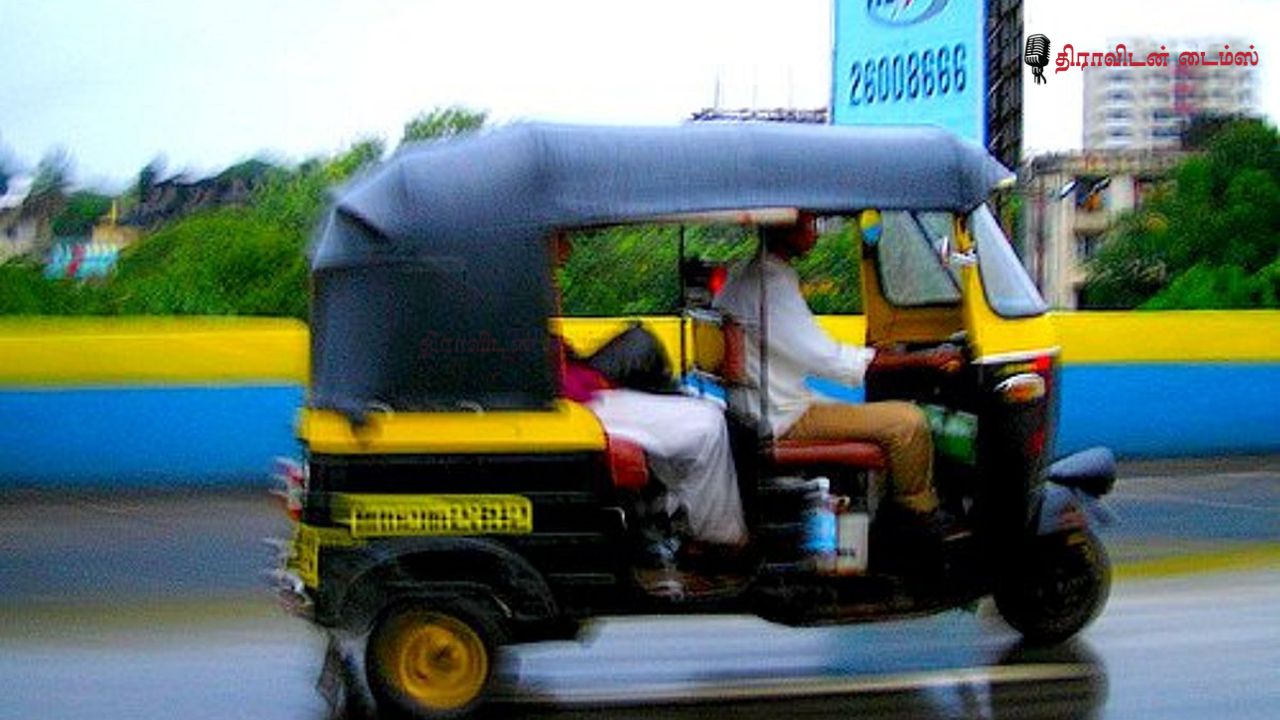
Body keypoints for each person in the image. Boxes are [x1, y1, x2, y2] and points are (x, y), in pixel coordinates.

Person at [713, 213, 963, 535]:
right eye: (810, 223)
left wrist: (879, 356)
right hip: (782, 415)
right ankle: (918, 517)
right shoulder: (769, 283)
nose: (816, 232)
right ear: (784, 227)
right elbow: (824, 358)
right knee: (908, 422)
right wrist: (922, 360)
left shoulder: (751, 274)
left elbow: (808, 346)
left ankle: (886, 512)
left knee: (878, 414)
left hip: (767, 405)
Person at [551, 233, 747, 552]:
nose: (569, 248)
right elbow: (555, 371)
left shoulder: (529, 286)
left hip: (577, 394)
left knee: (678, 400)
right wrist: (592, 381)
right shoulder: (531, 288)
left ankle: (672, 514)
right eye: (561, 239)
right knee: (707, 422)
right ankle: (716, 538)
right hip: (575, 404)